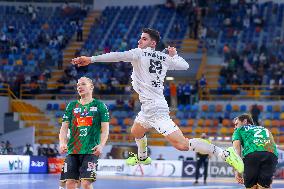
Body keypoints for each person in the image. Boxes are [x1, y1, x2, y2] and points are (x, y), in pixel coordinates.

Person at [71, 28, 243, 173]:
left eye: (144, 39)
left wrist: (91, 59)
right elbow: (185, 66)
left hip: (156, 109)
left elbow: (117, 55)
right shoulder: (164, 58)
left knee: (182, 145)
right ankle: (143, 157)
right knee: (136, 131)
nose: (140, 41)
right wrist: (174, 55)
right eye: (140, 38)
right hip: (148, 108)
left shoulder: (139, 53)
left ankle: (224, 153)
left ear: (152, 43)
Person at [59, 76, 110, 189]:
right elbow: (64, 128)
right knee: (70, 183)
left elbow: (105, 130)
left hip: (90, 151)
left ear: (91, 87)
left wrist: (101, 145)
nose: (79, 87)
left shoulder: (100, 106)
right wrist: (62, 143)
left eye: (83, 84)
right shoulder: (71, 106)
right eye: (78, 85)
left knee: (86, 183)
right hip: (73, 150)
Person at [232, 113, 278, 189]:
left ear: (245, 121)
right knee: (264, 186)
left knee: (251, 187)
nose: (235, 127)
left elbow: (236, 151)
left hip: (253, 154)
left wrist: (237, 170)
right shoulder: (264, 129)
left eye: (236, 124)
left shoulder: (239, 130)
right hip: (271, 155)